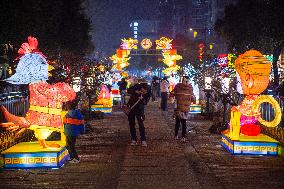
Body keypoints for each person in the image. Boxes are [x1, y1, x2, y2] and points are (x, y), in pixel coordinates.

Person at [127, 81, 151, 147]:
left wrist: (143, 99)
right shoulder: (136, 87)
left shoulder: (147, 92)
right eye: (143, 90)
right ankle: (133, 139)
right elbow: (128, 90)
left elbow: (146, 102)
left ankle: (143, 140)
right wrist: (135, 91)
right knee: (131, 124)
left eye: (145, 91)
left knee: (141, 124)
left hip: (140, 109)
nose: (144, 91)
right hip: (131, 108)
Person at [172, 76, 194, 142]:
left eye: (187, 81)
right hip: (182, 108)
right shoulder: (186, 88)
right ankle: (181, 136)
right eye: (186, 81)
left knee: (180, 122)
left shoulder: (180, 87)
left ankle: (179, 136)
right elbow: (193, 98)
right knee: (181, 122)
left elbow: (173, 94)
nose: (186, 82)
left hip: (182, 108)